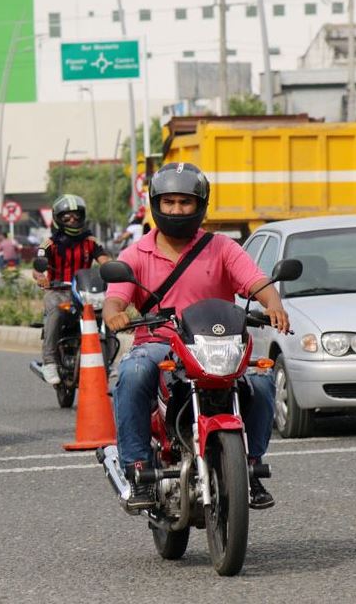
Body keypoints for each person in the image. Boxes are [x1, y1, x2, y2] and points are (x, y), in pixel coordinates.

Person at [103, 162, 291, 512]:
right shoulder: (136, 253)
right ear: (156, 204)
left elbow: (257, 282)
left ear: (200, 205)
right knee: (132, 373)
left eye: (185, 202)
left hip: (219, 345)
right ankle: (138, 469)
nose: (176, 209)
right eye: (169, 201)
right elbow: (117, 295)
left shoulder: (222, 248)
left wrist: (273, 304)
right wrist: (114, 312)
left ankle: (249, 468)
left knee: (263, 382)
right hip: (160, 345)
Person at [33, 195, 110, 386]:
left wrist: (114, 271)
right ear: (58, 218)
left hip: (85, 292)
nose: (72, 220)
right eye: (67, 217)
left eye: (76, 216)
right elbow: (37, 267)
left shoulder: (90, 241)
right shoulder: (49, 243)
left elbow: (105, 261)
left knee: (107, 313)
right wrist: (41, 277)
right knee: (56, 313)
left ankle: (108, 360)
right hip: (58, 290)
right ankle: (49, 361)